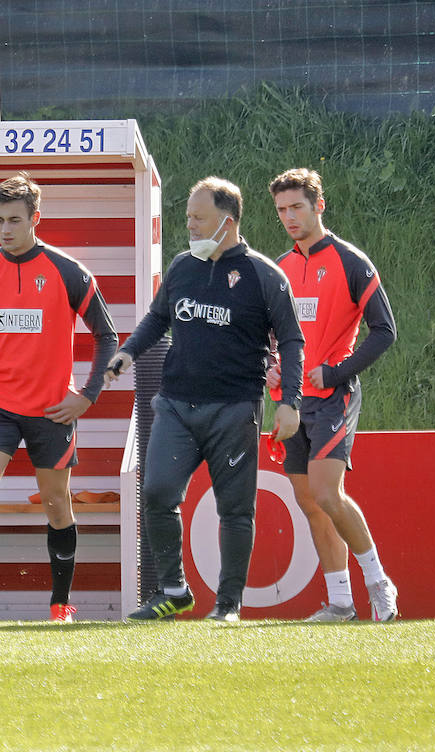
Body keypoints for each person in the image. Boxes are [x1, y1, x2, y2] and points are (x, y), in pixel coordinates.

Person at [110, 176, 304, 623]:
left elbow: (292, 340)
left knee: (234, 509)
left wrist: (289, 401)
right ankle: (175, 590)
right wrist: (127, 352)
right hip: (176, 404)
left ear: (228, 220)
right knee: (157, 491)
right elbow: (158, 319)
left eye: (199, 217)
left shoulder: (263, 274)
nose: (191, 225)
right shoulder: (182, 266)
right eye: (188, 217)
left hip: (234, 409)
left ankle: (228, 605)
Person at [0, 173, 118, 623]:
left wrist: (87, 395)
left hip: (51, 410)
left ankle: (60, 605)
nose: (5, 229)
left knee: (56, 503)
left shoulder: (67, 271)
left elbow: (107, 335)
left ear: (35, 219)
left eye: (14, 220)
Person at [267, 168, 400, 623]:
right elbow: (267, 333)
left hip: (332, 397)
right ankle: (341, 603)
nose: (289, 217)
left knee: (327, 493)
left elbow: (385, 331)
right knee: (309, 503)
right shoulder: (280, 268)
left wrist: (337, 372)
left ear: (319, 206)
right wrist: (270, 368)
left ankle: (379, 583)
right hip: (290, 401)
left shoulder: (351, 262)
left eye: (297, 207)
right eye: (282, 209)